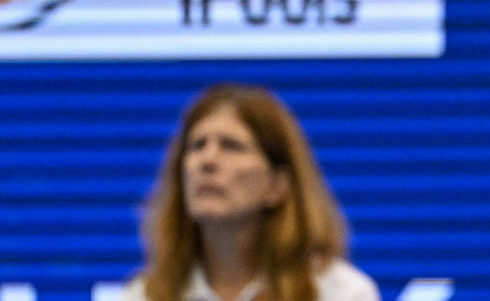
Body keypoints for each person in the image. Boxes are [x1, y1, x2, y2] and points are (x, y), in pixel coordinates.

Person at [122, 83, 378, 301]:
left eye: (231, 146)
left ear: (277, 185)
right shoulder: (143, 295)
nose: (207, 161)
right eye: (197, 145)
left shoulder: (339, 292)